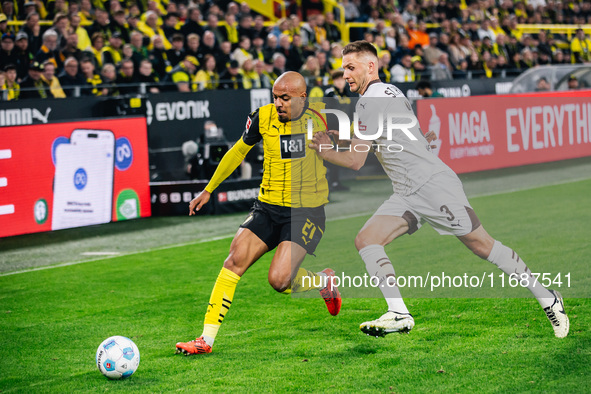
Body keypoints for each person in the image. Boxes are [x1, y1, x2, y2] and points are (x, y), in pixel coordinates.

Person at [309, 41, 569, 339]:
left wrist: (326, 151)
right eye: (343, 69)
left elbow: (356, 161)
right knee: (367, 239)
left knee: (483, 246)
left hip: (431, 185)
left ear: (371, 66)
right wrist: (339, 140)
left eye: (351, 67)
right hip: (408, 190)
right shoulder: (389, 91)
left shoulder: (370, 101)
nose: (346, 75)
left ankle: (548, 297)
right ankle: (399, 313)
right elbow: (387, 138)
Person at [175, 72, 342, 356]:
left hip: (306, 211)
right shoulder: (262, 117)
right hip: (267, 207)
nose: (278, 103)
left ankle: (322, 280)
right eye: (275, 97)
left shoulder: (324, 116)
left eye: (285, 98)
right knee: (233, 261)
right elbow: (237, 152)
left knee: (279, 281)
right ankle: (206, 340)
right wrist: (208, 190)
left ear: (303, 97)